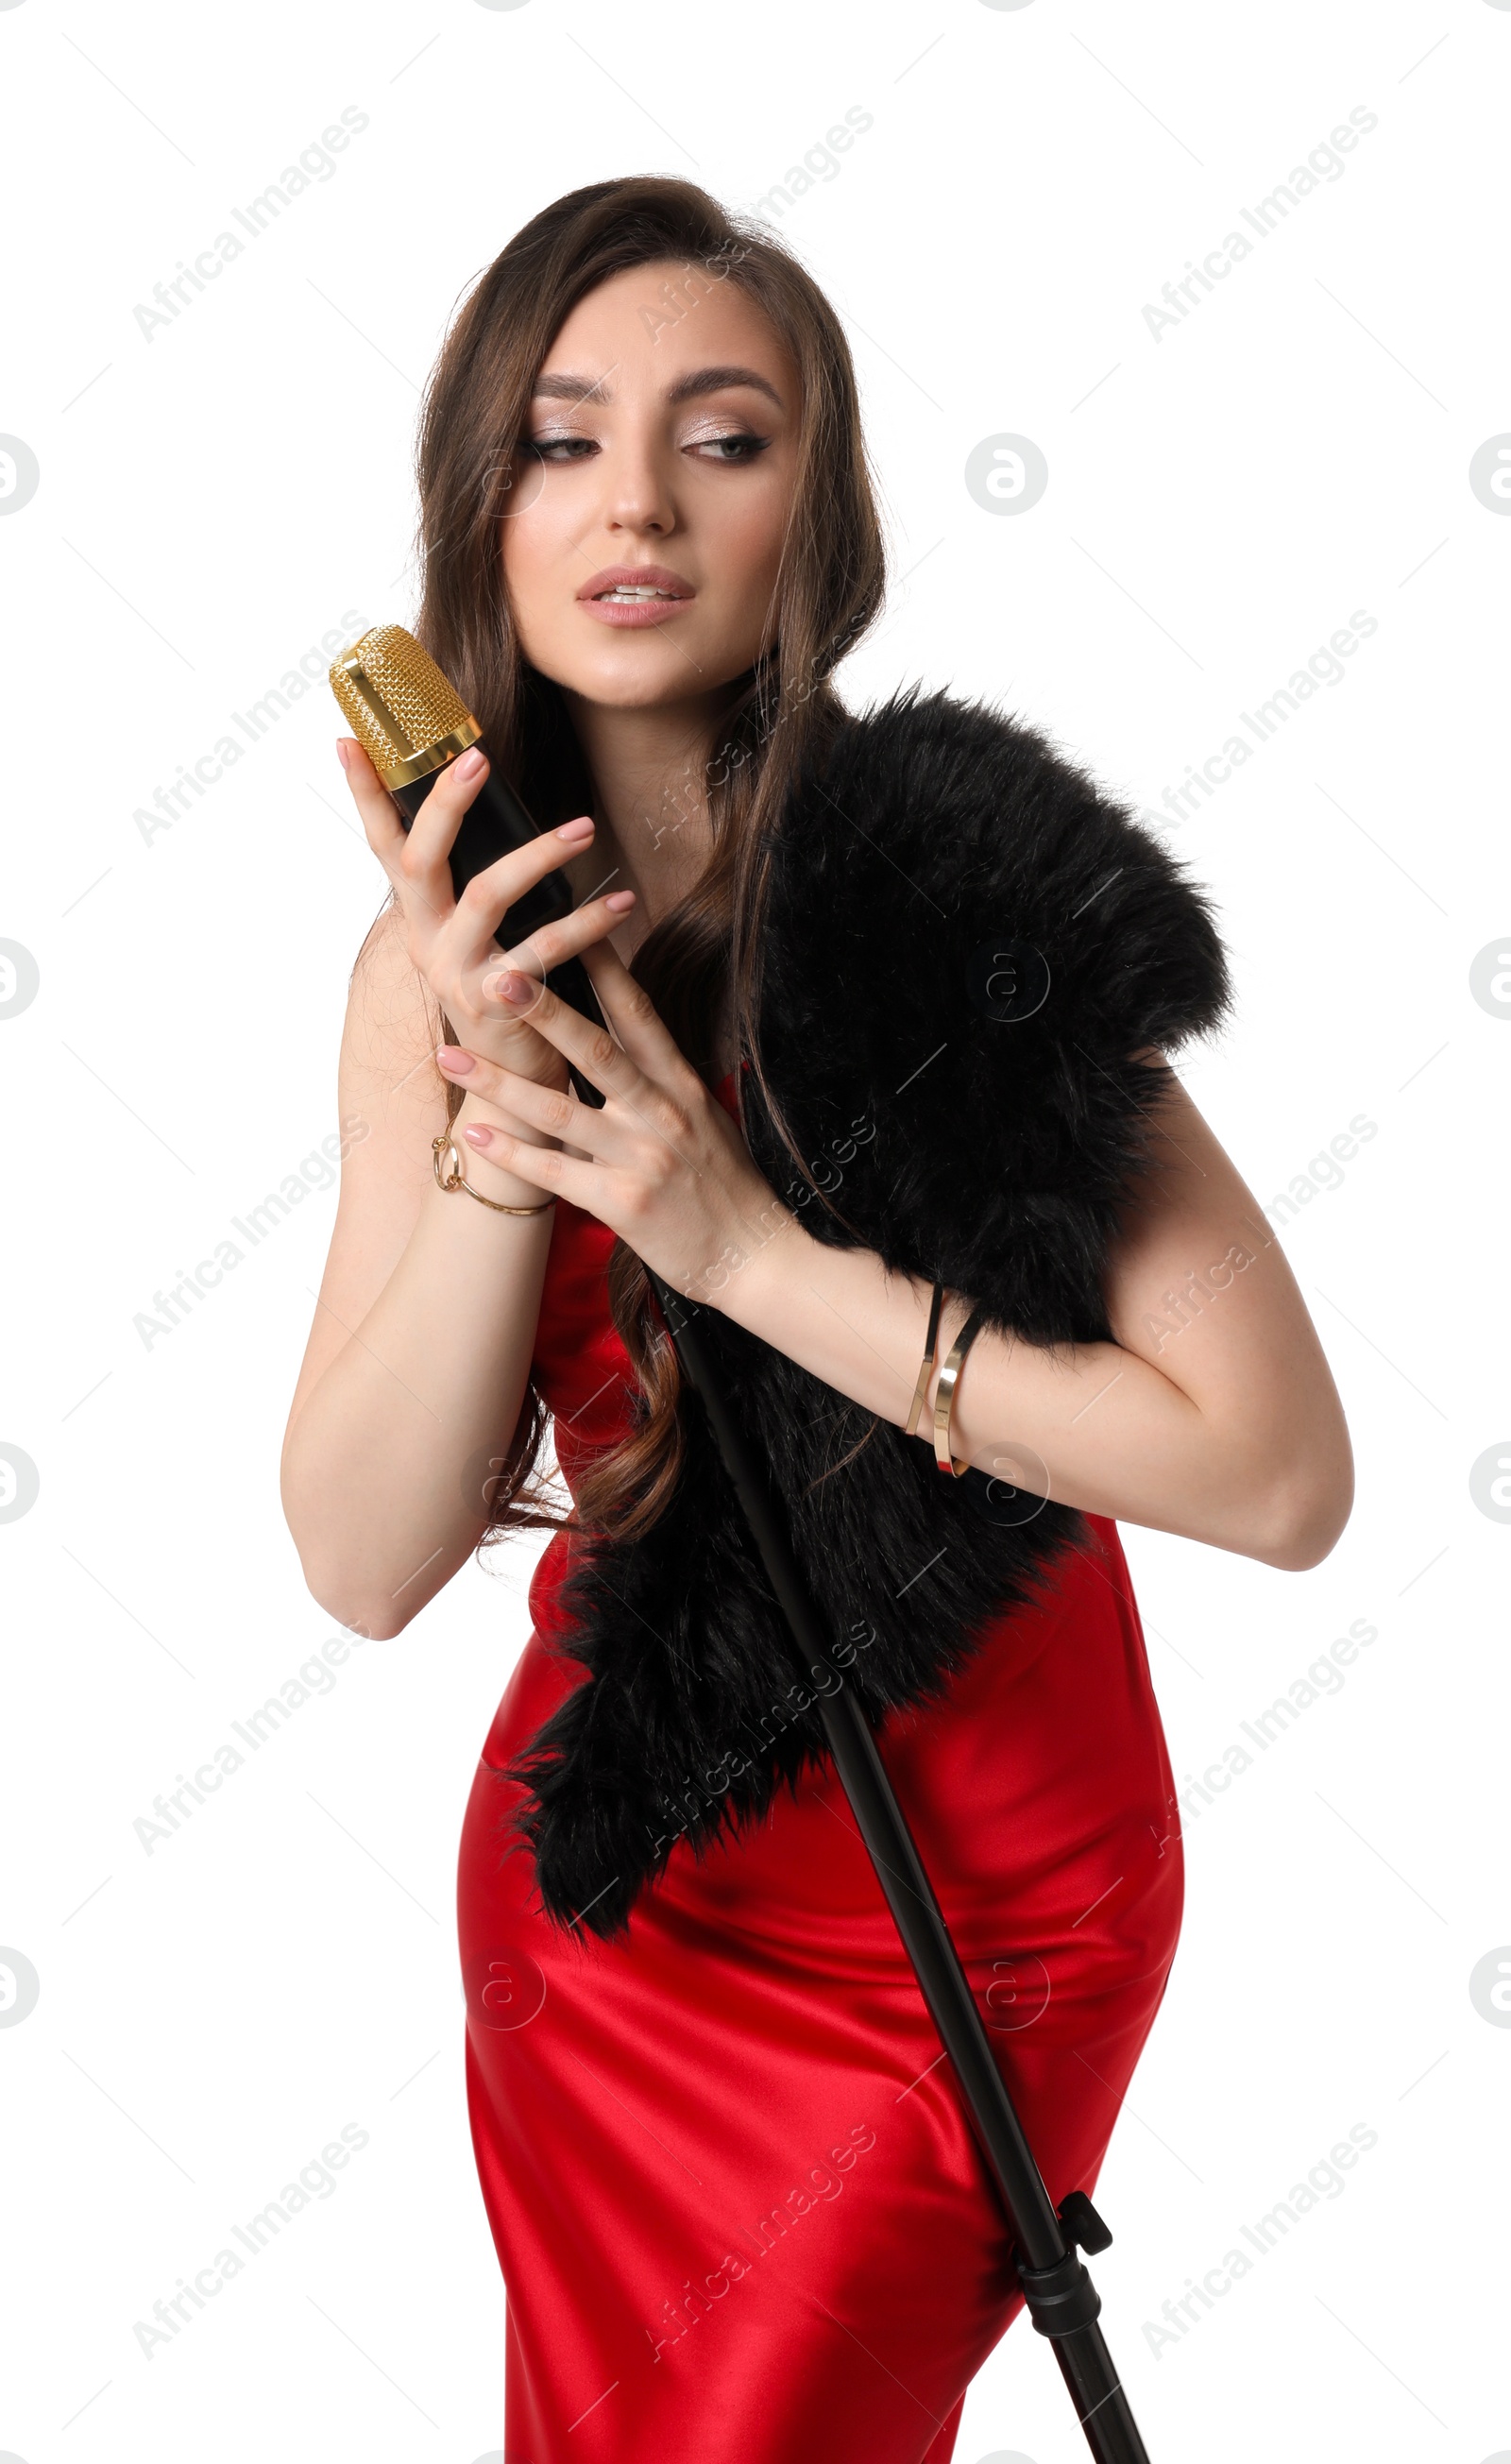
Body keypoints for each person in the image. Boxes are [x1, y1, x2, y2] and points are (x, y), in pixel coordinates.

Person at [280, 177, 1352, 2463]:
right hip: (622, 1889)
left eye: (723, 436)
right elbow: (366, 1564)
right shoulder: (430, 977)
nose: (635, 504)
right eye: (560, 441)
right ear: (483, 505)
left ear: (818, 510)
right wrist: (496, 1106)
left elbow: (1271, 1476)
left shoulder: (965, 892)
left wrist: (741, 1245)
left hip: (977, 1891)